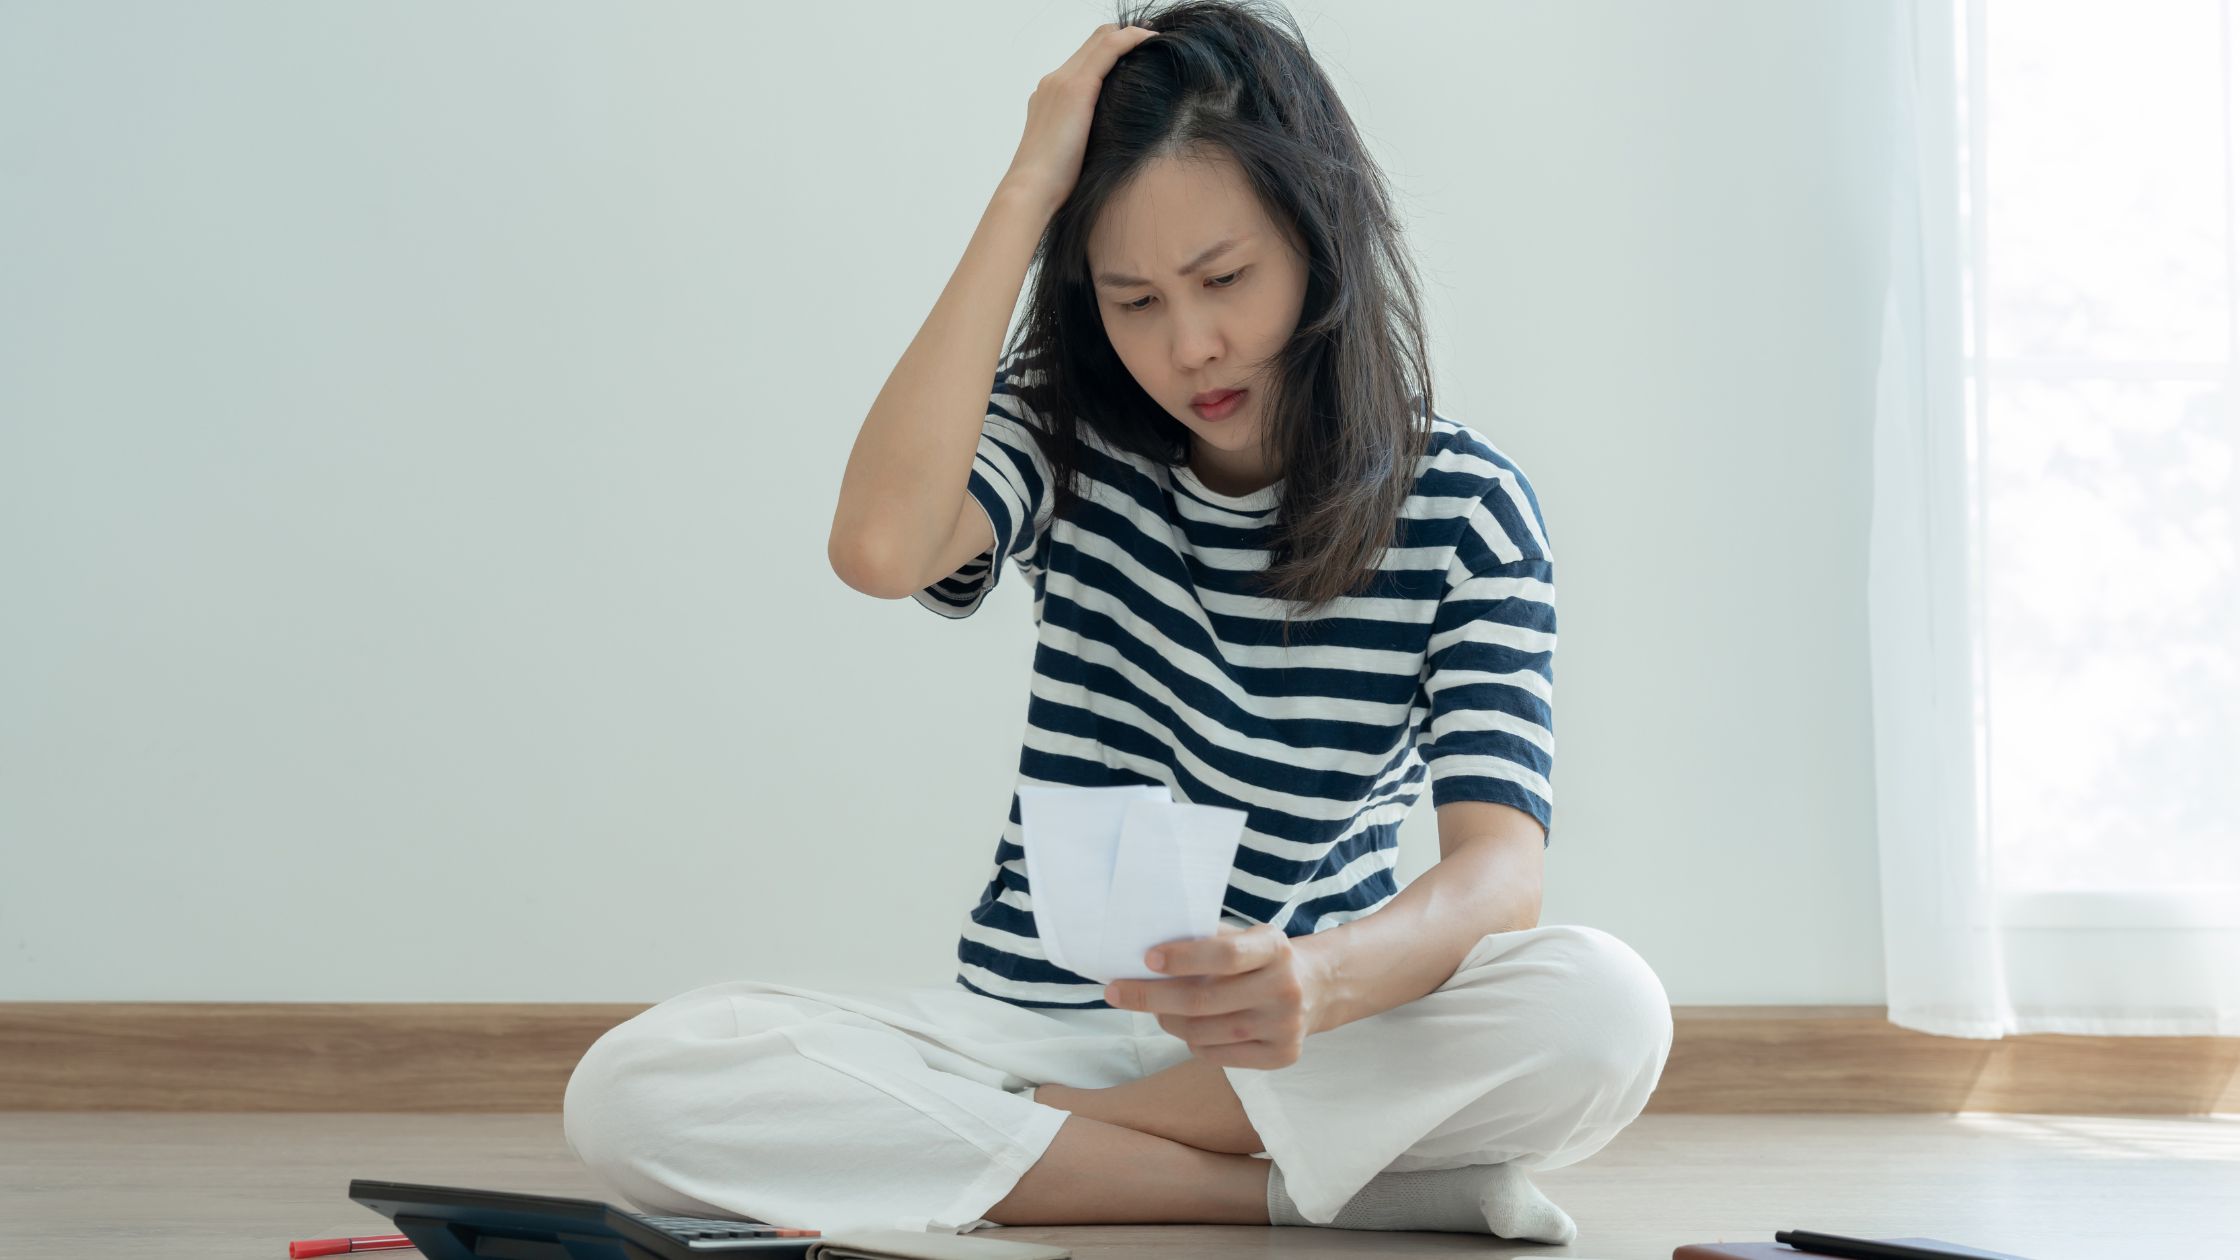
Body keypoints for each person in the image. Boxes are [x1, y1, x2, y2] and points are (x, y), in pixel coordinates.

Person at [563, 1, 1671, 1244]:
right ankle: (1269, 1192)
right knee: (630, 1092)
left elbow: (1495, 871)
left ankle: (1041, 1151)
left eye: (1224, 280)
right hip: (1032, 1027)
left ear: (1321, 241)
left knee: (1603, 1008)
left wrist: (1317, 976)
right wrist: (1023, 193)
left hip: (1297, 1045)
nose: (1188, 344)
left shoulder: (1465, 506)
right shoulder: (1067, 437)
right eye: (1130, 300)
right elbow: (879, 551)